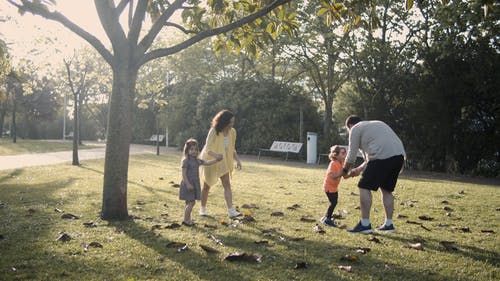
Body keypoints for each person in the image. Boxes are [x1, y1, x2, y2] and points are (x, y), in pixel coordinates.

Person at [336, 115, 405, 234]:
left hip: (382, 156)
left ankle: (365, 224)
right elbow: (369, 160)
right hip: (399, 156)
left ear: (350, 126)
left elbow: (351, 154)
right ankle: (389, 224)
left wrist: (344, 171)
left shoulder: (355, 129)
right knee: (386, 189)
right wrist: (358, 169)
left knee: (364, 186)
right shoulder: (376, 123)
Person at [199, 109, 242, 218]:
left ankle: (230, 210)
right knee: (206, 186)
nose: (232, 124)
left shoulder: (232, 132)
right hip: (211, 160)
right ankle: (202, 209)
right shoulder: (214, 131)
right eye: (230, 122)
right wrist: (216, 156)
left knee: (227, 184)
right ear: (224, 121)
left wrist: (238, 160)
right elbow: (207, 149)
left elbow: (232, 148)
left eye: (233, 122)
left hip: (223, 162)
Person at [179, 138, 222, 226]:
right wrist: (187, 184)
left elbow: (207, 163)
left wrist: (216, 160)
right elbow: (183, 174)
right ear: (187, 150)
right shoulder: (185, 161)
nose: (194, 151)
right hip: (188, 184)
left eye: (195, 149)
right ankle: (186, 220)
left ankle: (188, 219)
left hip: (194, 184)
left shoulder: (197, 160)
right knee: (191, 202)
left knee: (189, 202)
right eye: (191, 149)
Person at [320, 145, 349, 227]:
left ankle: (325, 217)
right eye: (342, 153)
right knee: (333, 203)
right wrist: (342, 172)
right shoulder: (333, 163)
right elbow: (333, 176)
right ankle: (327, 219)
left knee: (333, 202)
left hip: (334, 187)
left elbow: (345, 176)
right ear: (335, 155)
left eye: (345, 153)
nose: (345, 155)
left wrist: (353, 173)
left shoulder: (342, 163)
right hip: (328, 187)